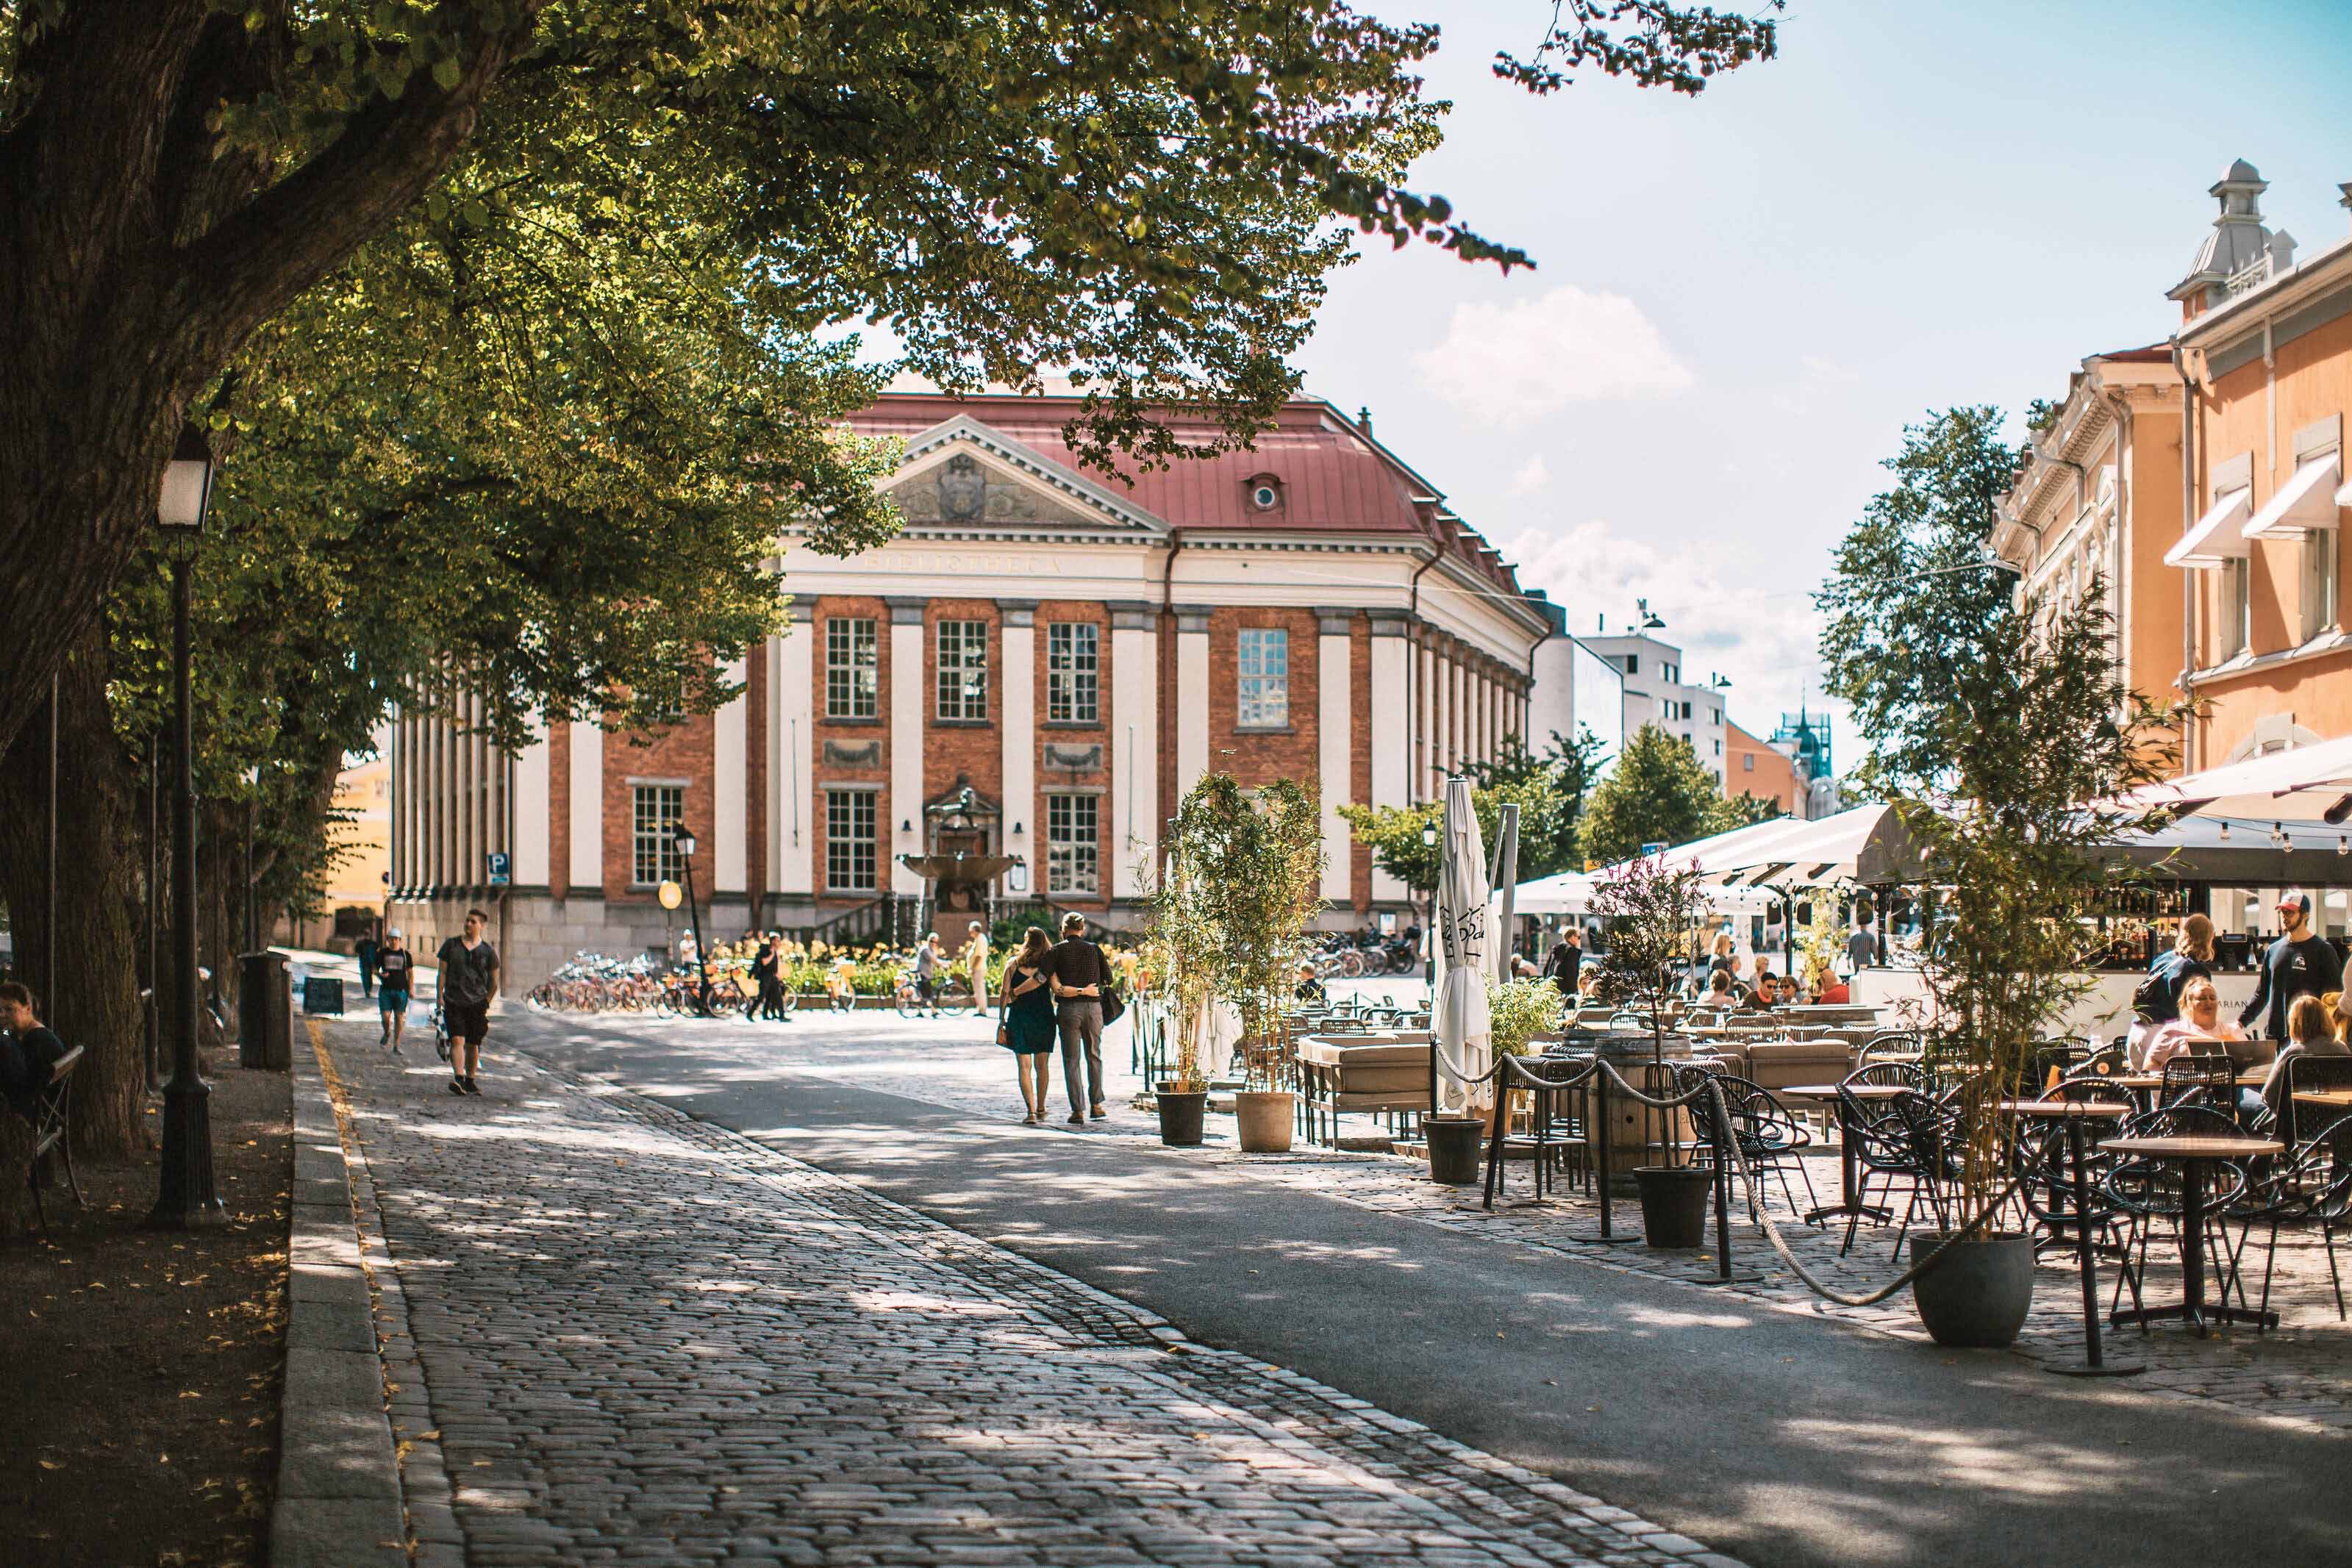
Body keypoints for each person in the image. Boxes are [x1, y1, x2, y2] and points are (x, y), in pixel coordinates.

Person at [2240, 891, 2344, 1042]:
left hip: (2310, 1037)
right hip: (2276, 1035)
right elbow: (2262, 994)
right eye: (2282, 911)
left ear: (2305, 915)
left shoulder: (2323, 950)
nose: (2284, 916)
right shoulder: (2273, 950)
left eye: (2290, 912)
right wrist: (2241, 1022)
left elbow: (2333, 998)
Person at [1045, 912, 1110, 1124]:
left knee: (1071, 1060)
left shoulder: (1056, 950)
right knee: (1094, 1056)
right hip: (1093, 1009)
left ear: (1063, 929)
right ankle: (1097, 1105)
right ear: (1083, 929)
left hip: (1068, 1009)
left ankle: (1078, 1110)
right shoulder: (1094, 950)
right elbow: (1107, 979)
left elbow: (1043, 976)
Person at [2254, 993, 2350, 1125]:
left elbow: (2269, 1097)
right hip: (2337, 1123)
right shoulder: (2343, 1050)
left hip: (2295, 1124)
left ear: (2295, 1022)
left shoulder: (2294, 1053)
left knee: (2245, 1095)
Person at [435, 909, 500, 1096]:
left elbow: (494, 981)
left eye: (473, 922)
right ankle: (459, 1077)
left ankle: (470, 1080)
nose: (469, 924)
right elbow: (443, 973)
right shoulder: (451, 946)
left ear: (481, 926)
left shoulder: (487, 951)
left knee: (473, 1043)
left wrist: (487, 1001)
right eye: (467, 921)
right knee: (457, 1039)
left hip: (477, 1003)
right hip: (454, 1001)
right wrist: (439, 995)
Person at [998, 928, 1059, 1124]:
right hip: (1043, 1017)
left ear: (1026, 942)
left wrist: (1001, 1018)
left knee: (1024, 1067)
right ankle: (1041, 1107)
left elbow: (1005, 993)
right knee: (1042, 1066)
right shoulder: (1047, 966)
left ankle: (1031, 1112)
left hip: (1019, 1017)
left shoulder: (1013, 964)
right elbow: (1056, 987)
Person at [2137, 975, 2245, 1071]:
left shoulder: (2233, 1031)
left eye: (2212, 998)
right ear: (2188, 1003)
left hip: (2234, 1090)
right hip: (2187, 1090)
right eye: (2202, 998)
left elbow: (2250, 1064)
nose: (2208, 1002)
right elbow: (2150, 1063)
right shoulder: (2172, 1031)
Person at [0, 981, 68, 1121]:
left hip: (39, 1118)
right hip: (47, 1112)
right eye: (0, 1010)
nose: (2, 1015)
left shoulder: (36, 1042)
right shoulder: (35, 1033)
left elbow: (23, 1091)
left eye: (9, 1009)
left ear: (28, 1009)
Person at [2136, 914, 2216, 1029]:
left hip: (2142, 1028)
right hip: (2168, 1032)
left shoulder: (2163, 959)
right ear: (2208, 939)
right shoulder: (2197, 971)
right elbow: (2198, 1016)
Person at [376, 928, 416, 1052]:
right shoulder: (383, 953)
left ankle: (396, 1044)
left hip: (401, 990)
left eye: (396, 939)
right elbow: (374, 969)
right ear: (388, 940)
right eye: (391, 939)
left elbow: (410, 973)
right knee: (385, 1017)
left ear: (399, 940)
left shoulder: (405, 954)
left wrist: (411, 989)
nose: (393, 941)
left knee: (399, 1017)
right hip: (386, 990)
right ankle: (387, 1032)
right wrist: (380, 975)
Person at [754, 936, 789, 1021]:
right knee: (761, 997)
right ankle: (750, 1013)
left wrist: (778, 975)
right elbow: (765, 962)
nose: (779, 942)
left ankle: (779, 1016)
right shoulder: (767, 950)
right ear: (773, 941)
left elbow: (776, 965)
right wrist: (772, 954)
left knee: (776, 997)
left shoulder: (775, 951)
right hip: (765, 977)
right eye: (777, 941)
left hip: (773, 977)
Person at [1543, 927, 1584, 1000]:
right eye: (1578, 937)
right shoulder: (1572, 951)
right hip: (1566, 990)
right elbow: (1571, 972)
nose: (1579, 940)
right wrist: (1574, 990)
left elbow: (1547, 968)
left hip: (1552, 987)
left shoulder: (1556, 949)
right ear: (1572, 937)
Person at [913, 931, 942, 1014]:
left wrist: (944, 963)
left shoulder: (932, 950)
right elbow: (932, 960)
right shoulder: (925, 949)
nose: (933, 943)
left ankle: (921, 1011)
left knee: (923, 993)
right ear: (928, 940)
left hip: (927, 974)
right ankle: (933, 1010)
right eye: (932, 941)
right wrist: (943, 965)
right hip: (922, 973)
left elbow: (935, 960)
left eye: (935, 942)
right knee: (926, 993)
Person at [963, 921, 990, 1010]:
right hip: (978, 968)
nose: (969, 932)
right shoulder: (979, 938)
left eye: (970, 930)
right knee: (978, 990)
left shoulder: (980, 939)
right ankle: (980, 1008)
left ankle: (982, 1010)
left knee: (980, 990)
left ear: (974, 930)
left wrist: (973, 968)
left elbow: (979, 956)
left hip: (978, 969)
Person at [1848, 909, 1882, 973]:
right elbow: (1876, 954)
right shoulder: (1870, 937)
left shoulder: (1853, 938)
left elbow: (1849, 954)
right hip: (1867, 965)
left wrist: (1848, 963)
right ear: (1867, 925)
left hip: (1856, 964)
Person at [354, 929, 379, 999]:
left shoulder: (360, 943)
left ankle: (367, 991)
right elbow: (377, 951)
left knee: (365, 977)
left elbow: (357, 952)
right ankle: (368, 991)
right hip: (370, 963)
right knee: (369, 977)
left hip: (364, 962)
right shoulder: (373, 944)